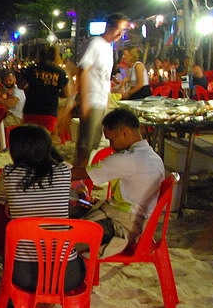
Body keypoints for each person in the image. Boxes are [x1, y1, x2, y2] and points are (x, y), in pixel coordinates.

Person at [0, 125, 80, 308]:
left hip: (23, 274)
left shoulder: (9, 173)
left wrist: (15, 204)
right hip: (67, 274)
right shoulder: (64, 171)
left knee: (26, 264)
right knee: (65, 260)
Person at [71, 108, 165, 253]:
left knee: (64, 242)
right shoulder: (153, 157)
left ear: (124, 132)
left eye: (111, 139)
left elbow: (78, 174)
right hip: (141, 223)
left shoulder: (127, 159)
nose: (110, 145)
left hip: (124, 227)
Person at [75, 13, 128, 168]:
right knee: (85, 145)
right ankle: (78, 176)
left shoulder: (109, 48)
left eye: (123, 30)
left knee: (94, 144)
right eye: (119, 29)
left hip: (101, 102)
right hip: (91, 101)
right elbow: (83, 70)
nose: (121, 34)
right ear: (109, 27)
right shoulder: (95, 43)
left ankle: (87, 175)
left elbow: (102, 77)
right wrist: (84, 100)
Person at [23, 45, 69, 132]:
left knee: (29, 137)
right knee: (45, 137)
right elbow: (66, 93)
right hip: (49, 112)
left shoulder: (31, 68)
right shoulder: (60, 72)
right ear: (55, 56)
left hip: (31, 109)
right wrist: (53, 91)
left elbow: (22, 85)